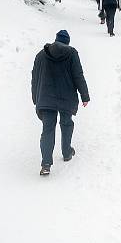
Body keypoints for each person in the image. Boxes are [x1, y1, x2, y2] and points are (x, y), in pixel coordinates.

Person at [31, 30, 90, 176]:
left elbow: (35, 78)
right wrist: (85, 95)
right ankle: (67, 152)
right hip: (66, 96)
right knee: (66, 123)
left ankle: (46, 164)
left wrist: (35, 97)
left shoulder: (41, 55)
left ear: (55, 40)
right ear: (67, 42)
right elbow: (78, 75)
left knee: (48, 129)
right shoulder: (71, 53)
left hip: (46, 97)